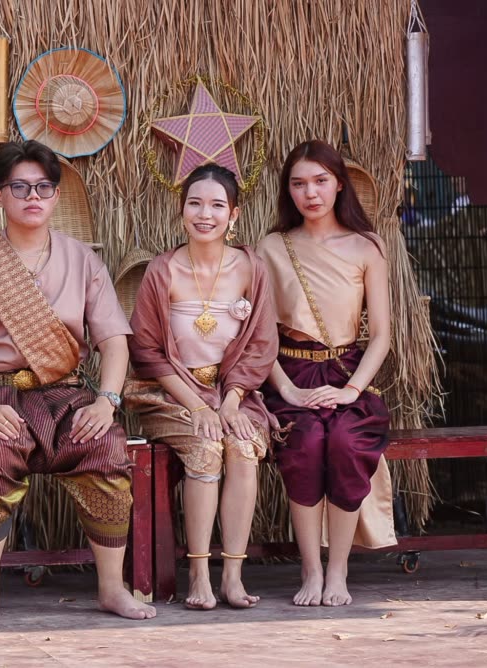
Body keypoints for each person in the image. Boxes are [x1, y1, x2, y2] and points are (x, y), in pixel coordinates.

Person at [0, 140, 156, 625]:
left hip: (64, 393)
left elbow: (114, 342)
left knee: (106, 447)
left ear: (56, 196)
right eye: (19, 187)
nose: (32, 196)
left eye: (42, 187)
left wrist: (106, 401)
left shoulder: (82, 260)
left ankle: (111, 588)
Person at [126, 164, 278, 610]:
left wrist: (230, 403)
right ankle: (198, 574)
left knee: (243, 448)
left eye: (216, 205)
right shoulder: (163, 270)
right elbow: (147, 351)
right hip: (171, 394)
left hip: (233, 394)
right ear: (182, 211)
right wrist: (198, 407)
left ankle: (232, 575)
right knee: (206, 449)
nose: (204, 214)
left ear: (234, 214)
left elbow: (261, 346)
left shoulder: (251, 268)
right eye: (194, 203)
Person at [257, 139, 396, 607]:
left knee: (344, 443)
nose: (310, 193)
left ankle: (338, 570)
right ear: (288, 191)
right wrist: (288, 390)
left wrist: (351, 390)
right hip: (289, 374)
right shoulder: (272, 247)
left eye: (320, 181)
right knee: (305, 443)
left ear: (339, 184)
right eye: (298, 184)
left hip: (348, 374)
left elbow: (381, 335)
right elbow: (260, 338)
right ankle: (310, 568)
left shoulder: (367, 246)